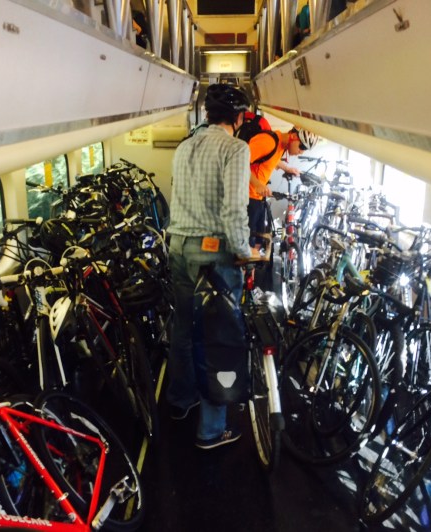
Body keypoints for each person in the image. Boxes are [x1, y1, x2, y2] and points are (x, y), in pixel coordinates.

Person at [166, 84, 258, 450]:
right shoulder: (236, 148)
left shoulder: (184, 146)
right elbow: (234, 209)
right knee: (217, 339)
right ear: (238, 118)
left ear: (206, 115)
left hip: (178, 247)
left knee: (184, 331)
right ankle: (211, 429)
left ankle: (179, 400)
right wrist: (242, 251)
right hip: (214, 254)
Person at [247, 127, 318, 250]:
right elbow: (239, 161)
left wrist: (287, 168)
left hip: (257, 198)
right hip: (247, 198)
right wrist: (257, 184)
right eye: (302, 147)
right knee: (247, 246)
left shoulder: (280, 145)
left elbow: (272, 159)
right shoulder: (268, 141)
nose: (301, 152)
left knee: (258, 244)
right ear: (293, 137)